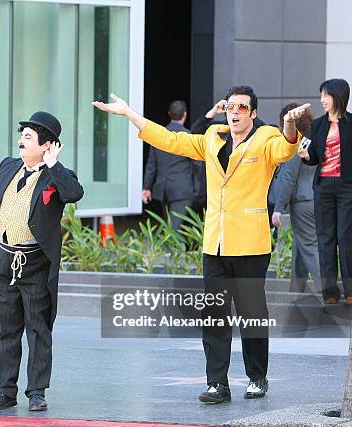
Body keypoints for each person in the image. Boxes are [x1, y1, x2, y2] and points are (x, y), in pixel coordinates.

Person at [94, 86, 307, 403]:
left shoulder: (265, 139)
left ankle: (257, 377)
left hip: (250, 243)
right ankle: (217, 383)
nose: (234, 112)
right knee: (216, 316)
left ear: (253, 113)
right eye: (230, 106)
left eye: (242, 108)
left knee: (251, 314)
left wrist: (290, 125)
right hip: (215, 244)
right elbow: (172, 140)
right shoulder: (212, 137)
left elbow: (286, 150)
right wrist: (130, 114)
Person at [0, 112, 83, 412]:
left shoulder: (57, 175)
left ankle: (37, 391)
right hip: (2, 258)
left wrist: (53, 164)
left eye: (28, 137)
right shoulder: (8, 166)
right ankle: (4, 390)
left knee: (38, 328)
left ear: (47, 145)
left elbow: (74, 193)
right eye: (22, 135)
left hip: (35, 263)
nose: (21, 141)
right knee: (6, 327)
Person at [300, 79, 352, 304]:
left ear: (338, 96)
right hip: (323, 187)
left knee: (346, 237)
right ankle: (330, 292)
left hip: (347, 187)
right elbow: (313, 158)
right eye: (321, 95)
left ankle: (350, 291)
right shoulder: (318, 125)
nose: (321, 100)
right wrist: (306, 156)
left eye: (325, 95)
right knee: (325, 239)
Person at [272, 103, 320, 294]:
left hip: (302, 202)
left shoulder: (295, 142)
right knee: (303, 244)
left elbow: (288, 178)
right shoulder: (314, 139)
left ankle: (327, 291)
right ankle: (296, 291)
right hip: (318, 199)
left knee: (309, 246)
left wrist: (278, 207)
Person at [142, 100, 200, 230]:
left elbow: (152, 164)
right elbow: (197, 164)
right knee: (174, 229)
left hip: (164, 190)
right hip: (183, 190)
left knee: (172, 226)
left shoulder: (159, 135)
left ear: (169, 114)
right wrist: (198, 188)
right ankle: (174, 250)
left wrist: (146, 188)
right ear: (185, 114)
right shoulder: (188, 136)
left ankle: (172, 250)